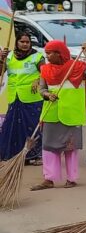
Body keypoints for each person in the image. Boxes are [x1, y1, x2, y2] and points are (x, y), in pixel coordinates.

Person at [30, 41, 86, 191]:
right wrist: (47, 94)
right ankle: (49, 179)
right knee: (48, 147)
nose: (47, 56)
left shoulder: (77, 67)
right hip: (51, 113)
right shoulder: (45, 69)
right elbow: (42, 89)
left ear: (60, 53)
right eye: (46, 53)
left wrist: (85, 52)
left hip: (71, 114)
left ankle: (71, 179)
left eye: (50, 53)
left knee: (70, 148)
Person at [0, 32, 44, 163]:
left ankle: (35, 155)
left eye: (27, 42)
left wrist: (38, 79)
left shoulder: (37, 57)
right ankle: (14, 154)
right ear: (16, 43)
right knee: (12, 126)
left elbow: (46, 72)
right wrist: (1, 60)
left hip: (32, 98)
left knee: (32, 126)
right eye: (22, 42)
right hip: (15, 97)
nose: (25, 44)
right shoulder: (9, 56)